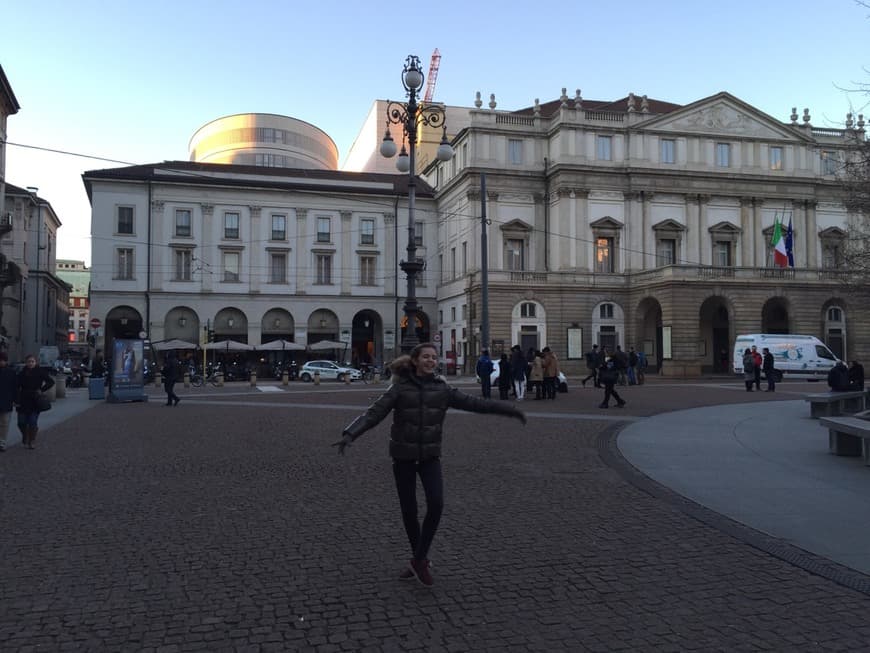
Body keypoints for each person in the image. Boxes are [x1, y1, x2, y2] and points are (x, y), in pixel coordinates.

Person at [332, 342, 526, 587]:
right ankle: (420, 560)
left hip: (430, 456)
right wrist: (350, 433)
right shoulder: (399, 388)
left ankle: (418, 559)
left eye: (434, 357)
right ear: (415, 360)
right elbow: (374, 413)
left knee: (436, 503)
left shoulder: (441, 389)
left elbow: (475, 404)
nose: (431, 361)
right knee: (409, 511)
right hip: (403, 456)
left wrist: (508, 410)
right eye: (426, 357)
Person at [16, 354, 55, 450]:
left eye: (32, 361)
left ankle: (32, 440)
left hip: (35, 399)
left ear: (35, 362)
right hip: (23, 399)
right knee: (21, 422)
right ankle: (25, 435)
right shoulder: (22, 373)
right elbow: (16, 385)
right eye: (29, 361)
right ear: (26, 362)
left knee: (32, 421)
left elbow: (50, 382)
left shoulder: (40, 372)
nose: (30, 363)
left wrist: (41, 389)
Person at [0, 352, 17, 451]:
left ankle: (2, 442)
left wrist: (15, 400)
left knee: (4, 423)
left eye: (2, 360)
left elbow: (15, 387)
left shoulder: (11, 372)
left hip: (6, 401)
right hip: (6, 400)